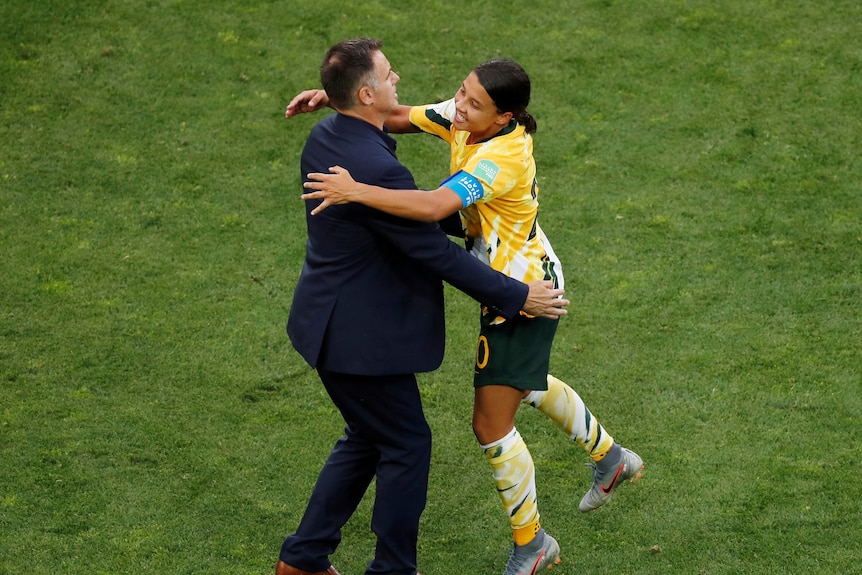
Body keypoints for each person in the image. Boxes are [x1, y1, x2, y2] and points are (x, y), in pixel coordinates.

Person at [288, 57, 644, 575]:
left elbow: (435, 208)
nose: (459, 105)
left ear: (503, 117)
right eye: (461, 91)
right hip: (501, 282)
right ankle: (612, 459)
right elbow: (395, 116)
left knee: (491, 423)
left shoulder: (503, 156)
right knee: (518, 382)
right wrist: (337, 98)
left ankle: (533, 544)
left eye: (474, 103)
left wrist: (356, 190)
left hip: (525, 290)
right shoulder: (461, 115)